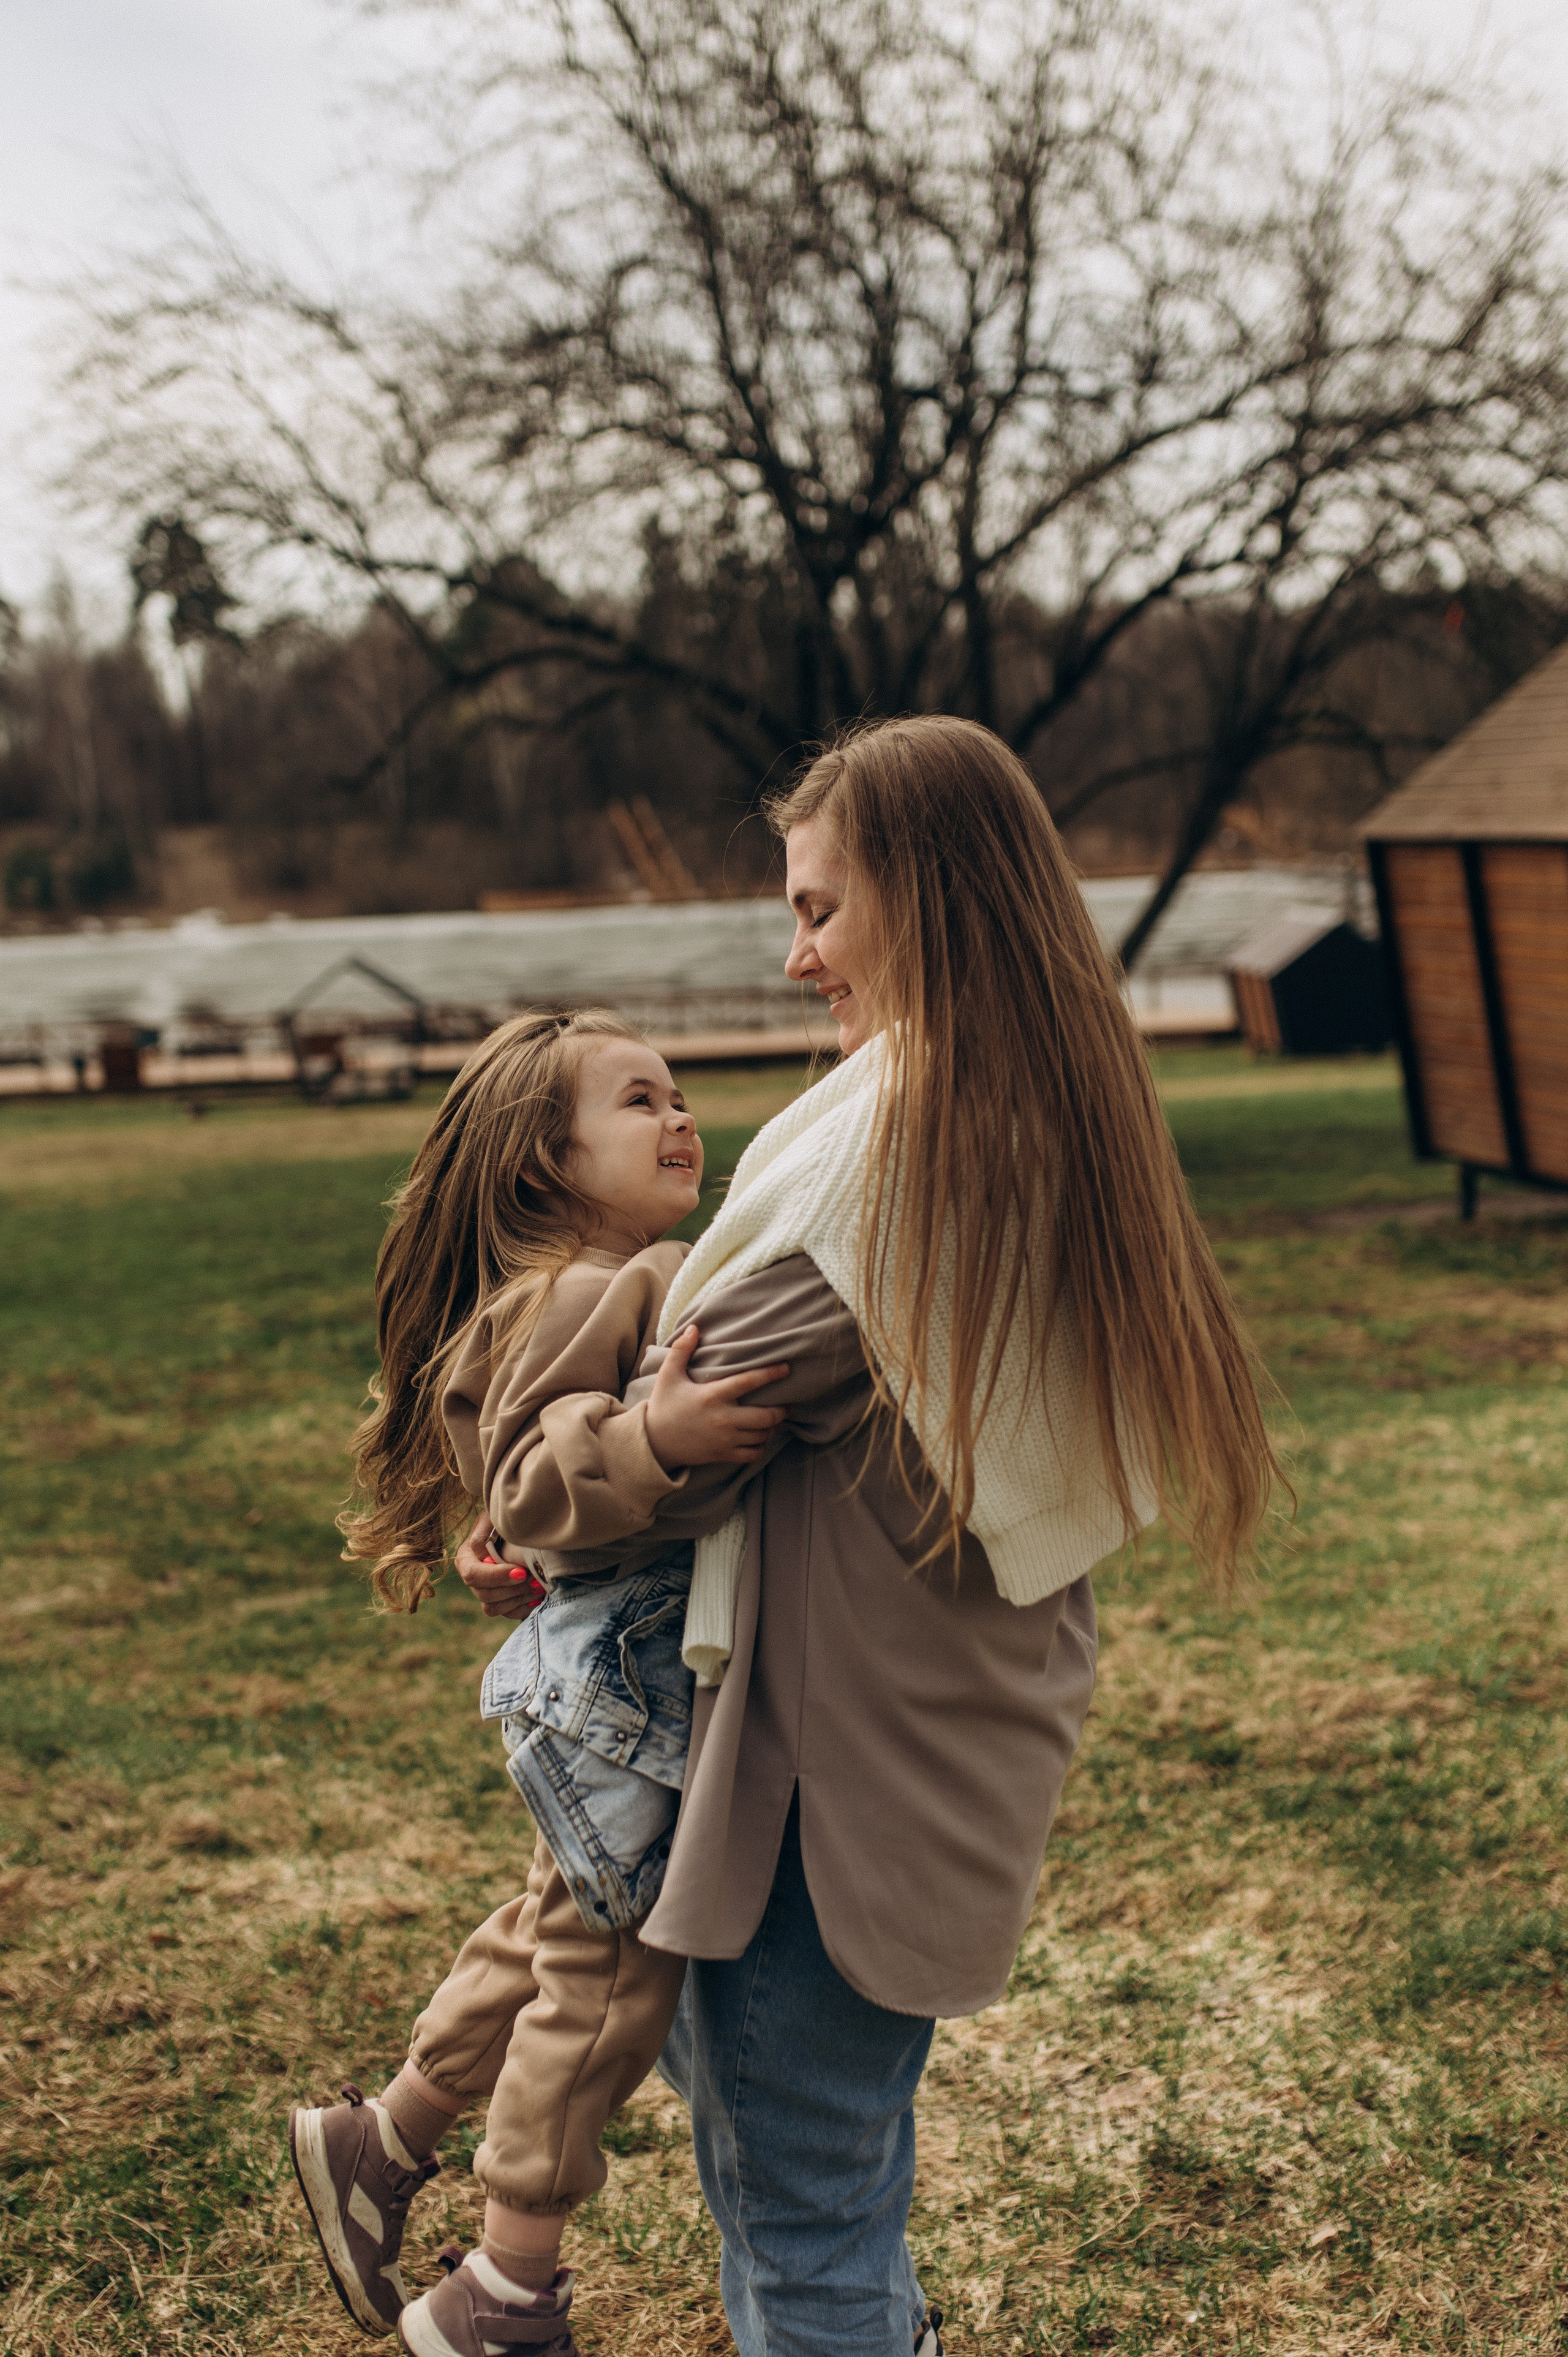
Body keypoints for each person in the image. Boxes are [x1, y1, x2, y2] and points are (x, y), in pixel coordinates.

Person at [456, 715, 1281, 2357]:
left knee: (805, 2218)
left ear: (928, 893)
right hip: (918, 1737)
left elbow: (669, 1421)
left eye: (824, 909)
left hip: (826, 1791)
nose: (796, 954)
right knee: (816, 2163)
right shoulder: (1017, 1100)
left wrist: (540, 1472)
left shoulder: (889, 1171)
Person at [287, 1010, 790, 2357]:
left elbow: (514, 1501)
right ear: (540, 1164)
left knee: (549, 1926)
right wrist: (659, 1432)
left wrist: (532, 1532)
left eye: (680, 1094)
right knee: (609, 1971)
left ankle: (384, 2138)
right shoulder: (588, 1287)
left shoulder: (569, 1286)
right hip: (628, 1677)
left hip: (597, 1664)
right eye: (639, 1101)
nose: (679, 1118)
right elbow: (536, 1478)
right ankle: (505, 2287)